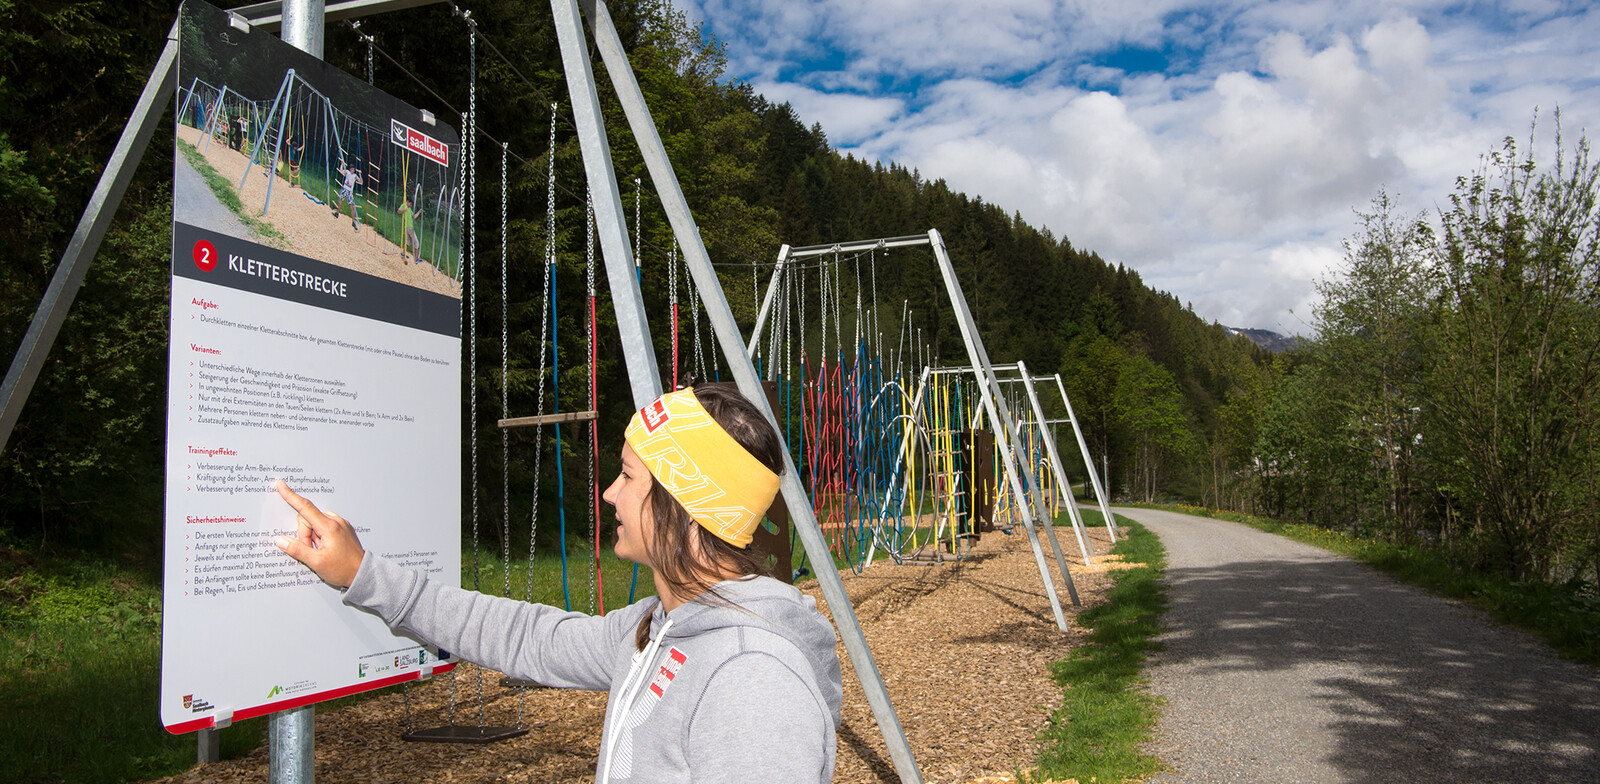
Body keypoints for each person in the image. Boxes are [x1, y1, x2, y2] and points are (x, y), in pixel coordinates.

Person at [273, 384, 841, 783]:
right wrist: (363, 574)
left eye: (627, 476)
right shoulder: (657, 628)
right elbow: (526, 636)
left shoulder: (752, 677)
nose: (609, 493)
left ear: (688, 505)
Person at [334, 159, 360, 232]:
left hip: (350, 192)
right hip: (345, 189)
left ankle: (353, 221)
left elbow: (361, 182)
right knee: (340, 202)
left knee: (352, 206)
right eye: (351, 168)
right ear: (350, 169)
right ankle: (337, 213)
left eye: (353, 169)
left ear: (354, 170)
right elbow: (341, 170)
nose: (352, 169)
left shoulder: (355, 176)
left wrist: (360, 175)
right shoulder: (347, 172)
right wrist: (342, 163)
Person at [397, 196, 421, 263]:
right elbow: (398, 211)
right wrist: (403, 210)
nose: (410, 205)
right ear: (407, 202)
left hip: (409, 227)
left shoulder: (409, 209)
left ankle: (403, 253)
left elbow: (413, 217)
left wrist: (418, 212)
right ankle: (416, 258)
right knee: (416, 242)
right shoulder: (404, 205)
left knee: (408, 241)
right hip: (409, 227)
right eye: (410, 204)